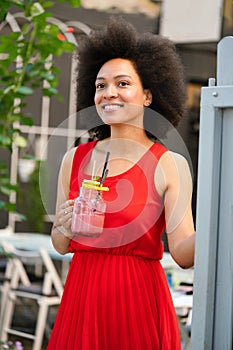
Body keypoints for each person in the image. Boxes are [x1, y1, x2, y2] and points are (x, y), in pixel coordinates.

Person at [47, 16, 195, 350]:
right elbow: (59, 243)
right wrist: (65, 227)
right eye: (101, 85)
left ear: (148, 96)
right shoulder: (75, 159)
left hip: (138, 302)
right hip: (81, 301)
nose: (109, 93)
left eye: (122, 84)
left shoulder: (169, 164)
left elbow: (184, 253)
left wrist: (220, 231)